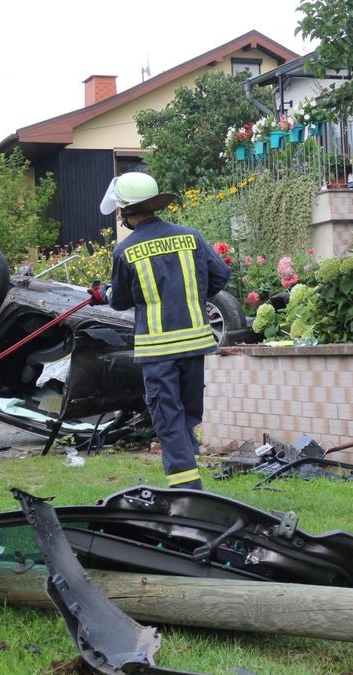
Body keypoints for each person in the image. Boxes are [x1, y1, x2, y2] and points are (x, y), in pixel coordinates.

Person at [96, 172, 230, 490]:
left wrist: (105, 293)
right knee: (187, 414)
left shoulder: (125, 251)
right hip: (195, 345)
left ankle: (187, 493)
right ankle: (189, 467)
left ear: (126, 211)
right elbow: (220, 276)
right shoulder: (191, 237)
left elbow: (122, 300)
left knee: (168, 420)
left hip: (158, 353)